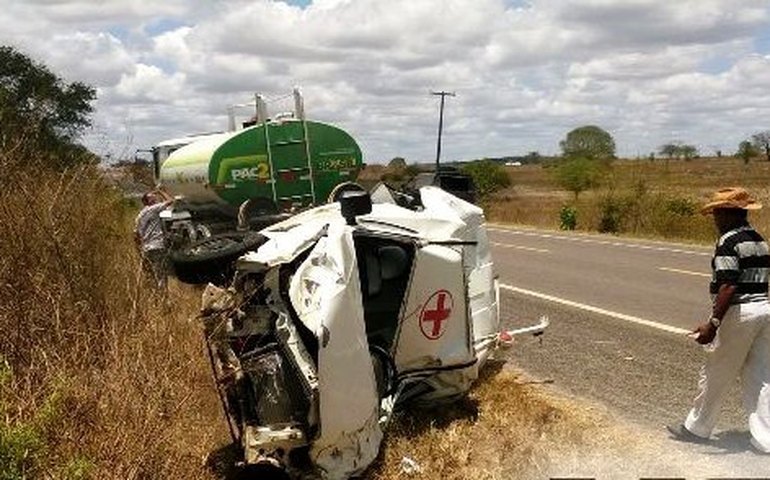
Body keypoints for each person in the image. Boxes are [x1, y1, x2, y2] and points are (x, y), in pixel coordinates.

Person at [667, 187, 770, 454]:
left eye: (717, 213)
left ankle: (697, 428)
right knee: (761, 377)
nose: (715, 218)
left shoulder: (728, 242)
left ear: (729, 214)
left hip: (740, 313)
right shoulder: (759, 240)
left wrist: (712, 324)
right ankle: (766, 439)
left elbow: (728, 286)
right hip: (764, 310)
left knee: (716, 372)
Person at [134, 190, 171, 291]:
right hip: (157, 247)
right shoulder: (153, 209)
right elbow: (170, 201)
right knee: (161, 276)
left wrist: (139, 250)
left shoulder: (140, 215)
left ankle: (153, 299)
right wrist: (161, 191)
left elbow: (136, 235)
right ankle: (162, 301)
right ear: (148, 201)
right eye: (152, 196)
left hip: (146, 249)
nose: (155, 197)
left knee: (150, 277)